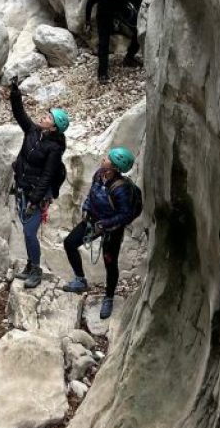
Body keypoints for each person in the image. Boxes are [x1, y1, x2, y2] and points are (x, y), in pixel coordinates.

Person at [62, 147, 142, 319]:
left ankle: (109, 297)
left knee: (110, 263)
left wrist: (104, 224)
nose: (103, 158)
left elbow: (125, 215)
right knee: (70, 243)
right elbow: (92, 195)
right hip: (93, 220)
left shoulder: (121, 189)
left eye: (107, 158)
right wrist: (86, 208)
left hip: (111, 229)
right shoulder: (99, 174)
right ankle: (80, 280)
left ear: (113, 166)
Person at [8, 76, 69, 290]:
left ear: (53, 128)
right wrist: (15, 92)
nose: (43, 117)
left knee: (29, 231)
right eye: (45, 115)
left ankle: (36, 269)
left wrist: (35, 200)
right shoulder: (33, 132)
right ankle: (30, 264)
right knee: (26, 229)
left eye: (48, 117)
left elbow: (47, 176)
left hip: (37, 194)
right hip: (23, 188)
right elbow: (19, 114)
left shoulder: (54, 149)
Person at [84, 0, 143, 83]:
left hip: (121, 10)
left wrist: (141, 18)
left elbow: (138, 2)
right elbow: (90, 3)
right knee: (104, 43)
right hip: (104, 14)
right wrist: (87, 22)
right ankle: (102, 73)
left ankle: (129, 58)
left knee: (138, 31)